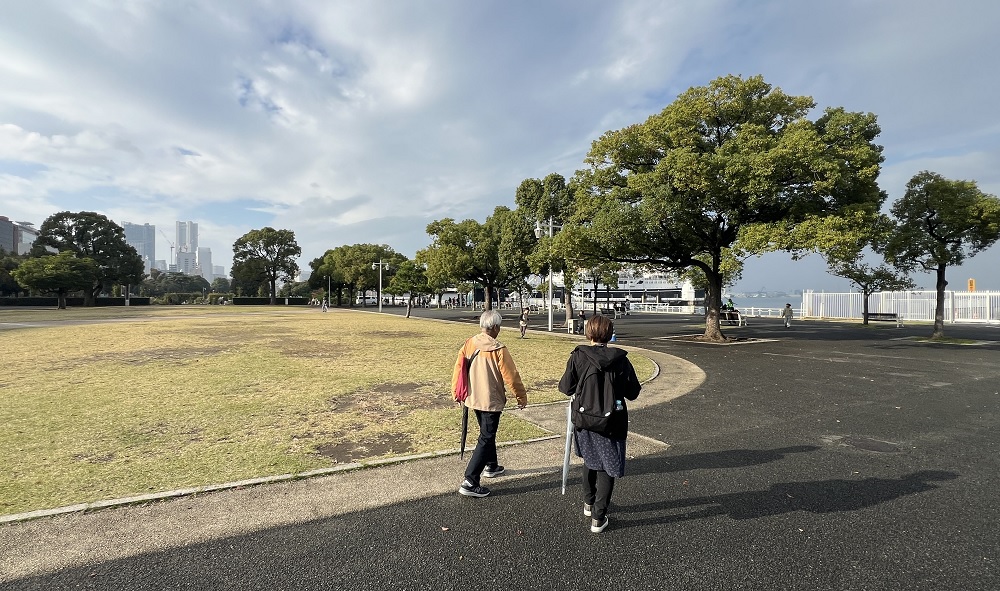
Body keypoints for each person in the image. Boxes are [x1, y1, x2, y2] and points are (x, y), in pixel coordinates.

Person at [558, 314, 641, 533]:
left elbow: (566, 387)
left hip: (585, 421)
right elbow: (633, 392)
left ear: (589, 332)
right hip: (612, 421)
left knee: (590, 459)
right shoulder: (620, 359)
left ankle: (589, 502)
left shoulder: (578, 356)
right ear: (609, 333)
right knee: (607, 466)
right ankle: (598, 516)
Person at [452, 310, 528, 498]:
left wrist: (456, 392)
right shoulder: (499, 349)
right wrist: (521, 396)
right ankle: (470, 480)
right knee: (486, 436)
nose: (499, 329)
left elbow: (459, 368)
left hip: (472, 396)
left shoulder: (469, 343)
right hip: (490, 399)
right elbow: (512, 376)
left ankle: (491, 465)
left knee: (487, 433)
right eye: (499, 326)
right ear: (494, 327)